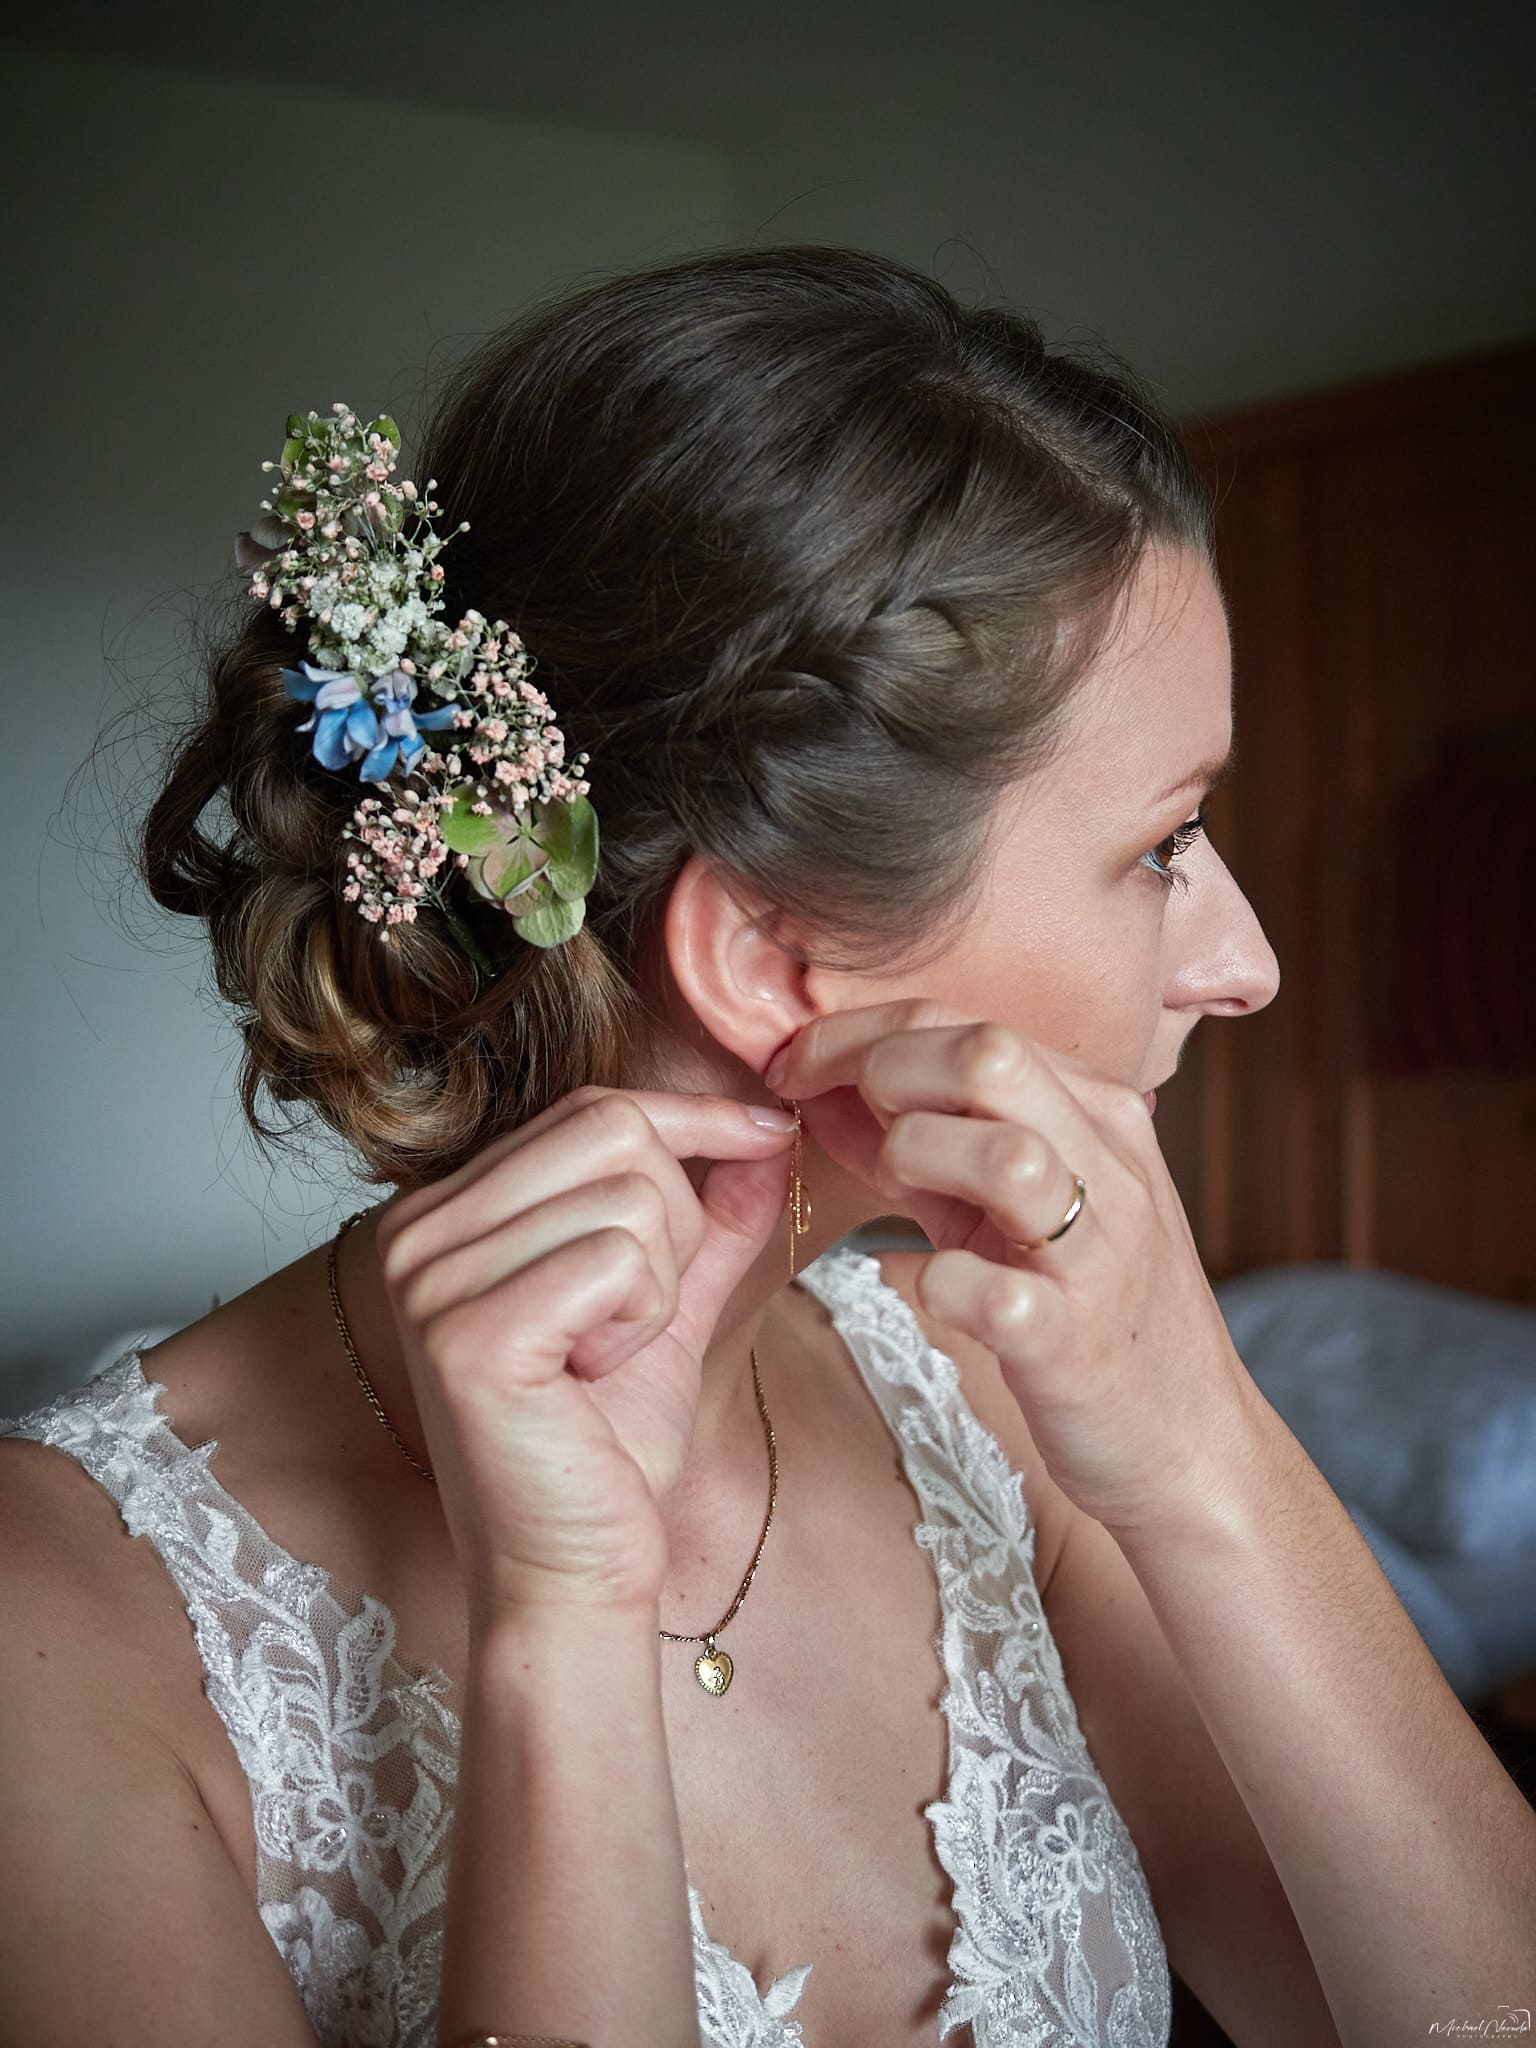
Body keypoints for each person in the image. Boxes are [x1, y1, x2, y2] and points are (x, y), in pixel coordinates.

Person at [2, 244, 1531, 2048]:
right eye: (1162, 848)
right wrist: (561, 1626)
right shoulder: (56, 1637)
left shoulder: (994, 1401)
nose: (1245, 960)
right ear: (775, 960)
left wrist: (1204, 1437)